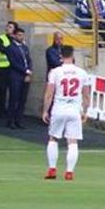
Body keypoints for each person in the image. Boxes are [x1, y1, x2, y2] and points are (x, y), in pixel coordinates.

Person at [41, 45, 90, 181]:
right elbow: (86, 95)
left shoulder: (55, 72)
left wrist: (45, 110)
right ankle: (69, 172)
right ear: (73, 56)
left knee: (53, 138)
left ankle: (52, 169)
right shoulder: (82, 73)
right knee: (72, 141)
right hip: (74, 110)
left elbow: (49, 93)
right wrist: (85, 111)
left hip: (59, 109)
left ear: (60, 56)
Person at [5, 26, 32, 129]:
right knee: (14, 99)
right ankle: (10, 120)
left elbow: (29, 60)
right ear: (14, 35)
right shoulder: (10, 48)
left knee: (22, 99)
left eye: (22, 35)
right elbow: (13, 63)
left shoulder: (25, 47)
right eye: (19, 35)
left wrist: (29, 72)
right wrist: (26, 71)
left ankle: (18, 120)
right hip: (15, 76)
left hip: (25, 76)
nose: (21, 37)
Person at [0, 22, 16, 119]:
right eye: (7, 26)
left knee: (13, 90)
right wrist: (12, 48)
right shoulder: (1, 38)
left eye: (10, 27)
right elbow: (2, 49)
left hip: (13, 68)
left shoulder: (17, 38)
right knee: (2, 90)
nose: (7, 28)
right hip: (3, 67)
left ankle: (10, 111)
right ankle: (2, 110)